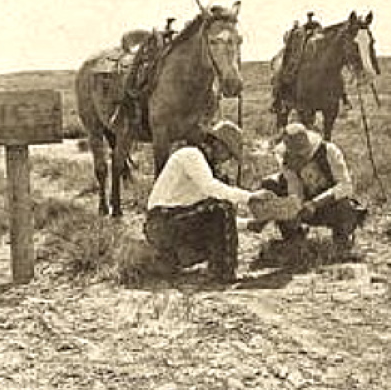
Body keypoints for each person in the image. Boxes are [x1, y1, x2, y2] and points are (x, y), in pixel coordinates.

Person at [145, 120, 268, 282]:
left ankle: (173, 259)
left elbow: (209, 217)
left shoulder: (204, 166)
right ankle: (222, 271)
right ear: (218, 145)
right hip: (162, 224)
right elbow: (212, 190)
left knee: (220, 207)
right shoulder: (191, 155)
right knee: (222, 205)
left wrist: (247, 225)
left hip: (172, 223)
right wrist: (249, 197)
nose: (226, 160)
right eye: (228, 154)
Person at [250, 122, 368, 257]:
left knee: (345, 206)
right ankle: (294, 237)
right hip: (307, 208)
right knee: (271, 184)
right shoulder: (288, 163)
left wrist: (315, 203)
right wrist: (293, 211)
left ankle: (342, 239)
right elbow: (295, 191)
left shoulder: (329, 151)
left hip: (329, 204)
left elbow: (345, 186)